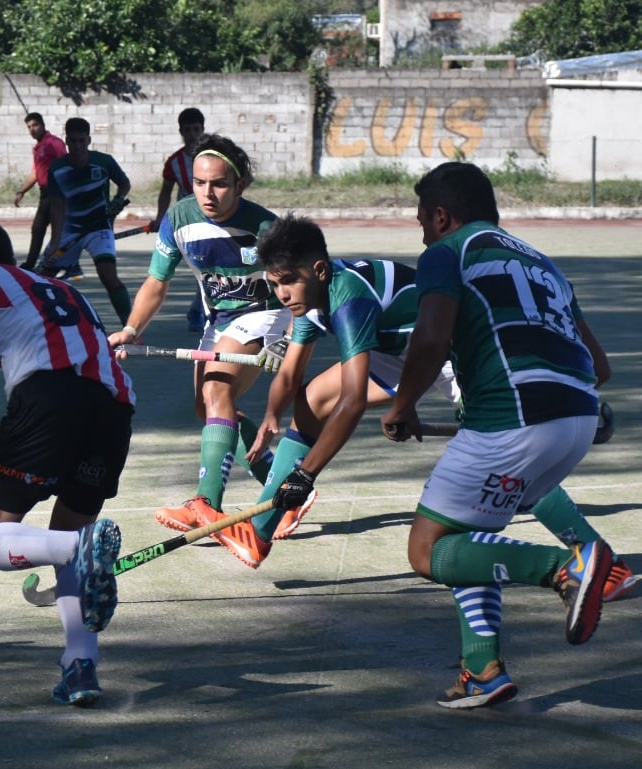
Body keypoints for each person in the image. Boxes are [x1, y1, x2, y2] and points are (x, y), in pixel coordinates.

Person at [209, 215, 634, 605]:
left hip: (449, 352)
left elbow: (353, 401)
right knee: (312, 400)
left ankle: (601, 563)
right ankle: (259, 534)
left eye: (287, 283)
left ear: (318, 270)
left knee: (510, 467)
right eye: (275, 284)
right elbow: (290, 374)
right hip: (399, 351)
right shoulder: (308, 295)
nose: (281, 294)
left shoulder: (349, 297)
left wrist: (305, 474)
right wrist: (271, 418)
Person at [380, 162, 617, 709]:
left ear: (442, 216)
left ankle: (569, 566)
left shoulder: (446, 252)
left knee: (427, 551)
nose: (421, 232)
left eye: (422, 219)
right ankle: (482, 669)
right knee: (468, 539)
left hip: (514, 419)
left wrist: (402, 406)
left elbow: (432, 338)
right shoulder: (544, 262)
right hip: (577, 417)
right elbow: (598, 366)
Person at [0, 218, 134, 707]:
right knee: (71, 545)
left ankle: (77, 549)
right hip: (114, 411)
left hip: (48, 402)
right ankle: (80, 666)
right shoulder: (59, 287)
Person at [108, 133, 290, 529]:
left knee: (216, 391)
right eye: (200, 182)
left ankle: (206, 504)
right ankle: (284, 491)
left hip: (267, 314)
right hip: (219, 320)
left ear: (240, 185)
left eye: (220, 184)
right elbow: (157, 283)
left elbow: (303, 289)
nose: (208, 193)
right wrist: (131, 328)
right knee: (205, 407)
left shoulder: (266, 228)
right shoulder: (180, 219)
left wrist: (287, 338)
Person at [39, 117, 133, 325]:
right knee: (44, 279)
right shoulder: (57, 169)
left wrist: (117, 200)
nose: (78, 146)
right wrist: (55, 243)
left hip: (99, 227)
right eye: (73, 141)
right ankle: (39, 324)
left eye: (82, 141)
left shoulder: (104, 162)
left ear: (89, 140)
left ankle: (130, 326)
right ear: (66, 141)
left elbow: (124, 183)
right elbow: (57, 207)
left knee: (108, 276)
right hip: (70, 230)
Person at [148, 107, 208, 332]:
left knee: (204, 264)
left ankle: (197, 310)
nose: (192, 134)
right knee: (199, 264)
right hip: (188, 219)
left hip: (212, 217)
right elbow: (165, 192)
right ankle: (196, 309)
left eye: (196, 129)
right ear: (181, 132)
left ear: (202, 130)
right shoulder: (174, 162)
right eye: (187, 130)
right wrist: (159, 218)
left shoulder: (213, 155)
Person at [13, 112, 67, 270]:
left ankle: (55, 264)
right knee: (38, 229)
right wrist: (22, 191)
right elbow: (36, 173)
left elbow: (65, 163)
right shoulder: (38, 148)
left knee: (56, 230)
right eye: (29, 127)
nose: (32, 129)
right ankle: (33, 264)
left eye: (35, 125)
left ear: (43, 125)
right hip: (45, 194)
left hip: (57, 192)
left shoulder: (54, 143)